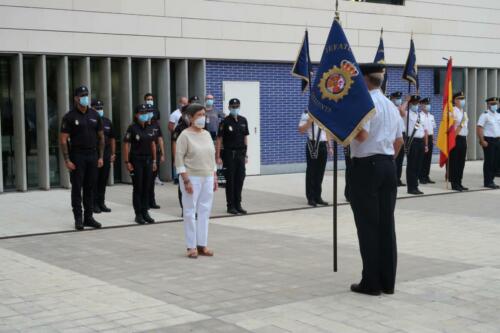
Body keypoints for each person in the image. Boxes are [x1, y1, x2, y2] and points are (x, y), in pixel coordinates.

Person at [349, 62, 404, 296]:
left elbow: (361, 135)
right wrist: (387, 159)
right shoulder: (391, 105)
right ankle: (387, 281)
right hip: (387, 165)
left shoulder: (366, 102)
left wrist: (341, 131)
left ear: (364, 79)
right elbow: (399, 141)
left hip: (366, 167)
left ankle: (371, 282)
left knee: (368, 226)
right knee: (386, 225)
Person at [176, 103, 218, 259]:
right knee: (189, 211)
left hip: (207, 175)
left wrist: (214, 175)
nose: (202, 118)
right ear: (191, 117)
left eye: (204, 115)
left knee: (204, 211)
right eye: (199, 115)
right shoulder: (184, 135)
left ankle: (202, 245)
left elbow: (211, 155)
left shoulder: (206, 134)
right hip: (191, 177)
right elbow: (179, 158)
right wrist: (185, 179)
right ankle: (191, 246)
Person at [59, 85, 104, 230]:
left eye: (86, 95)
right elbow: (63, 139)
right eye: (82, 95)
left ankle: (89, 217)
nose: (85, 98)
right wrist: (67, 160)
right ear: (76, 98)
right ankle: (78, 218)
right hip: (77, 155)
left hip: (92, 154)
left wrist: (100, 156)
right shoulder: (69, 117)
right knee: (77, 188)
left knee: (90, 187)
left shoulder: (94, 115)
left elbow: (101, 137)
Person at [123, 104, 157, 224]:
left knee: (147, 187)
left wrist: (154, 160)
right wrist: (127, 161)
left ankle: (145, 212)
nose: (145, 115)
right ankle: (138, 214)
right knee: (138, 187)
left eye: (146, 112)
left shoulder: (149, 127)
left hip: (148, 160)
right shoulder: (132, 128)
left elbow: (153, 144)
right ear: (136, 115)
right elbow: (126, 145)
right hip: (136, 160)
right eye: (142, 113)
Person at [216, 98, 249, 215]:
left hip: (240, 154)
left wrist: (246, 154)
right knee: (230, 180)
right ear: (229, 107)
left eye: (237, 106)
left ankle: (238, 204)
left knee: (240, 179)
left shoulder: (243, 120)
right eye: (233, 107)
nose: (235, 108)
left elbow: (245, 137)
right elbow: (219, 140)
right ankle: (230, 206)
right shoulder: (224, 122)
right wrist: (218, 156)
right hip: (229, 154)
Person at [298, 110, 332, 206]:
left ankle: (318, 196)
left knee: (320, 172)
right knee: (311, 172)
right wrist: (309, 122)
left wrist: (330, 146)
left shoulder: (325, 112)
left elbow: (327, 131)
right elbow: (301, 130)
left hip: (323, 145)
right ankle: (311, 197)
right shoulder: (307, 113)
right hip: (312, 144)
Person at [91, 99, 116, 214]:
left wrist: (113, 153)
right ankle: (93, 203)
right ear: (92, 108)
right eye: (97, 108)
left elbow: (112, 138)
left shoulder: (107, 122)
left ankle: (101, 203)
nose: (100, 110)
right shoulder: (90, 121)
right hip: (94, 154)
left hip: (106, 153)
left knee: (103, 179)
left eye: (101, 108)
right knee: (94, 179)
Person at [405, 95, 428, 195]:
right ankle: (411, 187)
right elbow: (400, 110)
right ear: (410, 104)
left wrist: (426, 145)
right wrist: (406, 101)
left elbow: (425, 130)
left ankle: (416, 186)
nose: (416, 105)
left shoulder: (421, 115)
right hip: (412, 141)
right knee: (412, 165)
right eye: (413, 103)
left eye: (417, 103)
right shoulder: (407, 113)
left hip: (421, 142)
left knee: (418, 165)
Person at [476, 97, 500, 189]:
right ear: (488, 105)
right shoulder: (484, 115)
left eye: (495, 103)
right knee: (489, 161)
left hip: (497, 140)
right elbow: (479, 128)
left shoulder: (498, 114)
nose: (494, 105)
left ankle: (492, 180)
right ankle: (487, 181)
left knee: (496, 161)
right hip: (489, 140)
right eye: (492, 104)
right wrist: (482, 140)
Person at [172, 105, 190, 214]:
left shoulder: (197, 126)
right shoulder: (179, 128)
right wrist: (176, 159)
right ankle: (184, 208)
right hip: (183, 159)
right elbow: (174, 143)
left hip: (194, 160)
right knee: (183, 185)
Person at [449, 91, 469, 191]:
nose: (462, 101)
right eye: (460, 99)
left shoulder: (463, 112)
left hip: (463, 139)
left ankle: (459, 182)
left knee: (461, 162)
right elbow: (450, 128)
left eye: (463, 99)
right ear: (455, 100)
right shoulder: (452, 111)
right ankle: (454, 183)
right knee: (454, 162)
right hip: (455, 138)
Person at [147, 104, 166, 209]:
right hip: (145, 155)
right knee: (146, 180)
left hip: (156, 155)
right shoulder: (142, 125)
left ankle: (152, 201)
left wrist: (163, 153)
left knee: (152, 178)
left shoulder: (155, 126)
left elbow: (160, 140)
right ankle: (145, 201)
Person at [389, 91, 407, 187]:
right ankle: (394, 178)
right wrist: (406, 102)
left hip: (402, 134)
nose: (399, 100)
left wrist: (404, 103)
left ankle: (398, 179)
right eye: (397, 98)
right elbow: (401, 111)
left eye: (400, 98)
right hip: (394, 136)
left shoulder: (399, 108)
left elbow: (403, 114)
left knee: (400, 159)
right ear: (392, 99)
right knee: (394, 159)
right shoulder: (391, 108)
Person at [169, 96, 188, 183]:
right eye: (182, 103)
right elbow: (170, 127)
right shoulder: (174, 114)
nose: (183, 104)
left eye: (185, 103)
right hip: (178, 141)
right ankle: (176, 177)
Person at [418, 98, 436, 185]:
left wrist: (433, 139)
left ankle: (426, 175)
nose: (428, 105)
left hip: (429, 138)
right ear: (421, 105)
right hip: (422, 138)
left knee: (428, 159)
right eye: (426, 104)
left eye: (428, 103)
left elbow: (432, 129)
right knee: (422, 158)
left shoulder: (431, 116)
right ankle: (421, 177)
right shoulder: (420, 116)